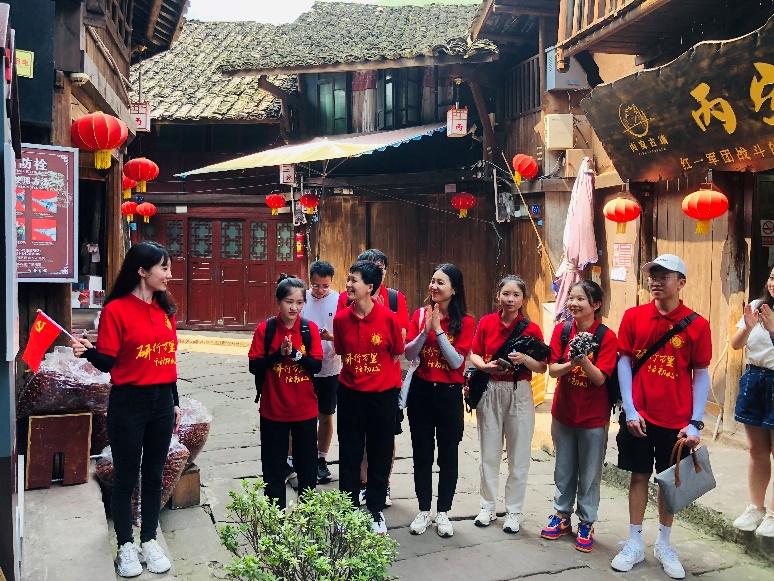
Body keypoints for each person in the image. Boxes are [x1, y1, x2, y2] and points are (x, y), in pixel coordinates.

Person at [71, 242, 180, 577]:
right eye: (164, 268)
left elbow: (168, 359)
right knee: (127, 476)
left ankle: (149, 539)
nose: (169, 274)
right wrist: (88, 351)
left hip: (162, 402)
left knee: (154, 473)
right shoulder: (116, 310)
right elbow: (108, 362)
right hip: (128, 403)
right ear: (142, 271)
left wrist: (175, 401)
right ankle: (126, 545)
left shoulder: (166, 309)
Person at [611, 254, 712, 579]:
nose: (655, 281)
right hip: (639, 417)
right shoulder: (634, 316)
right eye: (653, 276)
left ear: (680, 283)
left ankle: (664, 544)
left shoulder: (697, 325)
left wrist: (695, 422)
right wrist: (629, 409)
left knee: (669, 483)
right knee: (638, 476)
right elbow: (624, 362)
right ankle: (635, 542)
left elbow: (701, 373)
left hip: (677, 421)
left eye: (663, 276)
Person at [542, 281, 618, 552]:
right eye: (571, 298)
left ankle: (587, 521)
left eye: (581, 299)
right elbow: (552, 370)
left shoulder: (606, 337)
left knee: (589, 473)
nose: (573, 304)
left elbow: (600, 379)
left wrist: (584, 360)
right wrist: (571, 362)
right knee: (563, 468)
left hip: (593, 417)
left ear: (595, 305)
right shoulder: (562, 331)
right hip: (563, 412)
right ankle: (561, 516)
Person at [469, 275, 547, 534]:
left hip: (519, 392)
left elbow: (542, 366)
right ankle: (487, 506)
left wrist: (524, 359)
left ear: (523, 299)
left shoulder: (531, 329)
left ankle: (514, 511)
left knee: (519, 455)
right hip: (491, 389)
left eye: (516, 295)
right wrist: (484, 366)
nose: (510, 299)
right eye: (506, 294)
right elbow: (474, 352)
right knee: (488, 454)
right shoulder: (486, 322)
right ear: (498, 296)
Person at [333, 260, 404, 535]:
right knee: (349, 452)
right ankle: (347, 508)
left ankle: (375, 509)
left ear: (370, 287)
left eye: (354, 280)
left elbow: (396, 353)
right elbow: (342, 351)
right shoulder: (341, 319)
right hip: (350, 394)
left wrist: (378, 377)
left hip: (382, 397)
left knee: (380, 452)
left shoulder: (388, 318)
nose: (348, 284)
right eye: (348, 279)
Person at [404, 264, 475, 538]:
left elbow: (457, 361)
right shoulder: (420, 314)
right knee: (422, 454)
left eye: (441, 282)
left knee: (448, 455)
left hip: (448, 395)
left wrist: (439, 330)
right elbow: (409, 354)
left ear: (454, 289)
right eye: (433, 281)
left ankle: (443, 511)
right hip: (421, 392)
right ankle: (424, 510)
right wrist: (424, 331)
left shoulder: (465, 322)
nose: (434, 286)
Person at [247, 276, 323, 509]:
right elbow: (254, 366)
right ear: (278, 301)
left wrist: (296, 355)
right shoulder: (266, 329)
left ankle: (308, 512)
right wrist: (278, 354)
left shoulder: (309, 329)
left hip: (304, 409)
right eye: (289, 302)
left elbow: (316, 366)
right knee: (273, 467)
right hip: (273, 410)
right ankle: (275, 515)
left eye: (299, 303)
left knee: (307, 466)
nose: (294, 308)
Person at [729, 266, 774, 537]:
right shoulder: (757, 306)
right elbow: (735, 344)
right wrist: (747, 327)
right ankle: (756, 507)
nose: (773, 283)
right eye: (772, 277)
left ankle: (773, 513)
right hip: (754, 379)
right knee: (756, 450)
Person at [300, 260, 342, 484]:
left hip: (329, 367)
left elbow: (344, 336)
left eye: (325, 286)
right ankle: (295, 459)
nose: (320, 290)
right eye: (316, 285)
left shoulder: (339, 300)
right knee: (299, 415)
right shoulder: (301, 298)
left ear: (332, 282)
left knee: (325, 415)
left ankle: (321, 458)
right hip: (303, 367)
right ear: (310, 280)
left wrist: (329, 337)